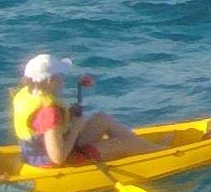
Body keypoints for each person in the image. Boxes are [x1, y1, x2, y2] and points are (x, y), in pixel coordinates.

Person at [10, 53, 161, 169]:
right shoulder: (50, 111)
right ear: (50, 81)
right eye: (61, 77)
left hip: (36, 155)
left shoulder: (27, 93)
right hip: (56, 164)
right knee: (124, 143)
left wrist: (69, 116)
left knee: (101, 118)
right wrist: (75, 128)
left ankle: (146, 147)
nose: (63, 80)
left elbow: (40, 128)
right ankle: (159, 153)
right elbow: (58, 158)